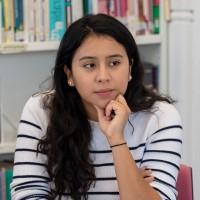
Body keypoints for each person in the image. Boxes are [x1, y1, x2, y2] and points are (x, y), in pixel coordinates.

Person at [11, 14, 182, 200]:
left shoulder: (160, 117)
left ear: (130, 67)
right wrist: (128, 184)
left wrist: (116, 139)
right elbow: (26, 195)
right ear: (69, 73)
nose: (103, 76)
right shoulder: (41, 111)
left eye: (114, 63)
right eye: (90, 65)